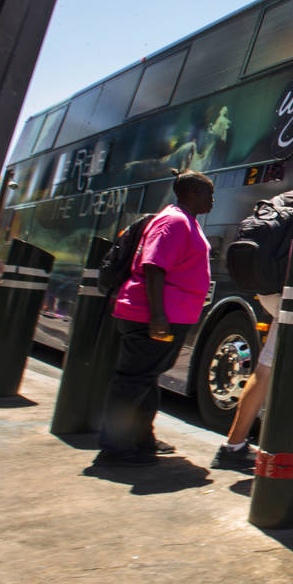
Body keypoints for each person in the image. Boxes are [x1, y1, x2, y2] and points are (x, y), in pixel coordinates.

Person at [211, 153, 293, 470]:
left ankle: (238, 444)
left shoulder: (276, 201)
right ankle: (242, 446)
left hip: (267, 292)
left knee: (269, 368)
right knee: (275, 371)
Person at [94, 171, 214, 467]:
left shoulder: (184, 220)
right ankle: (116, 447)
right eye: (210, 193)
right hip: (154, 315)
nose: (213, 200)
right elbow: (154, 266)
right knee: (133, 381)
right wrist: (158, 315)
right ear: (194, 192)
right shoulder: (174, 221)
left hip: (170, 315)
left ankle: (141, 440)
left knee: (145, 379)